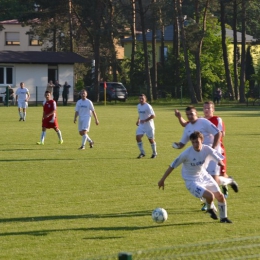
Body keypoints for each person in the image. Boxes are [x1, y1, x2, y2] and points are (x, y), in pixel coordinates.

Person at [158, 131, 232, 223]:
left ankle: (223, 218)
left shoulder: (206, 149)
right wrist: (162, 180)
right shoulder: (186, 154)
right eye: (193, 142)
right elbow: (172, 166)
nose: (195, 144)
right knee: (210, 196)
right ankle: (209, 209)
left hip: (204, 176)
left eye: (197, 142)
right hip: (191, 181)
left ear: (202, 140)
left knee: (220, 196)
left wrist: (219, 162)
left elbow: (216, 155)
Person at [175, 101, 239, 200]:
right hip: (202, 154)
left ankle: (228, 182)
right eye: (205, 108)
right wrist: (179, 117)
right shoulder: (201, 120)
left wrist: (212, 148)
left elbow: (221, 133)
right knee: (205, 178)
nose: (206, 110)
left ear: (213, 109)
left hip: (217, 150)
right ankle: (208, 201)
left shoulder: (216, 119)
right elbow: (186, 124)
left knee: (216, 178)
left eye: (209, 108)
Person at [136, 94, 157, 159]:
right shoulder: (138, 106)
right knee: (138, 137)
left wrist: (145, 120)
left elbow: (153, 115)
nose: (141, 100)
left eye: (142, 98)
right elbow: (140, 114)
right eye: (140, 98)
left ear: (145, 99)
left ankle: (154, 153)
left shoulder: (148, 106)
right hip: (142, 125)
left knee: (151, 140)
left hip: (149, 126)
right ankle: (142, 153)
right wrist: (138, 120)